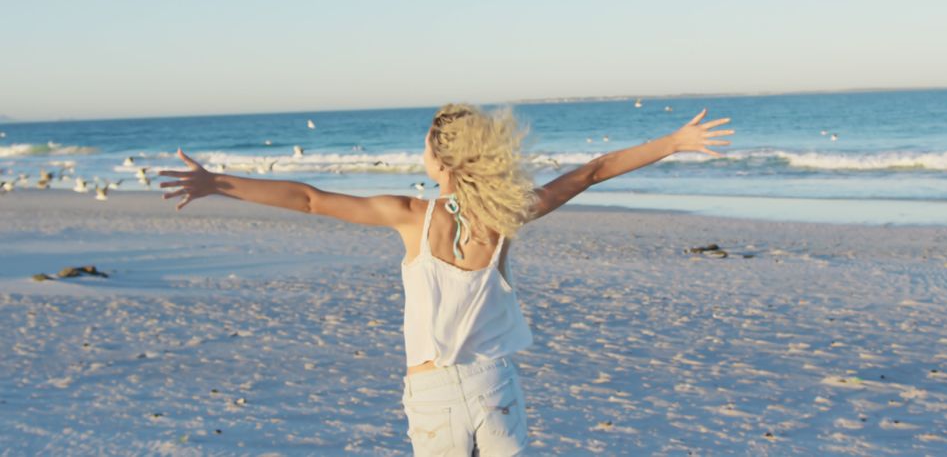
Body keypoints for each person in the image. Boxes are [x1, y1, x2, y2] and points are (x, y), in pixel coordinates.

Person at [158, 103, 733, 456]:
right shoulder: (508, 215)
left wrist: (216, 183)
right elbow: (592, 172)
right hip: (494, 386)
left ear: (440, 159)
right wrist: (675, 143)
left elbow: (309, 199)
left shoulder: (411, 217)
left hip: (433, 396)